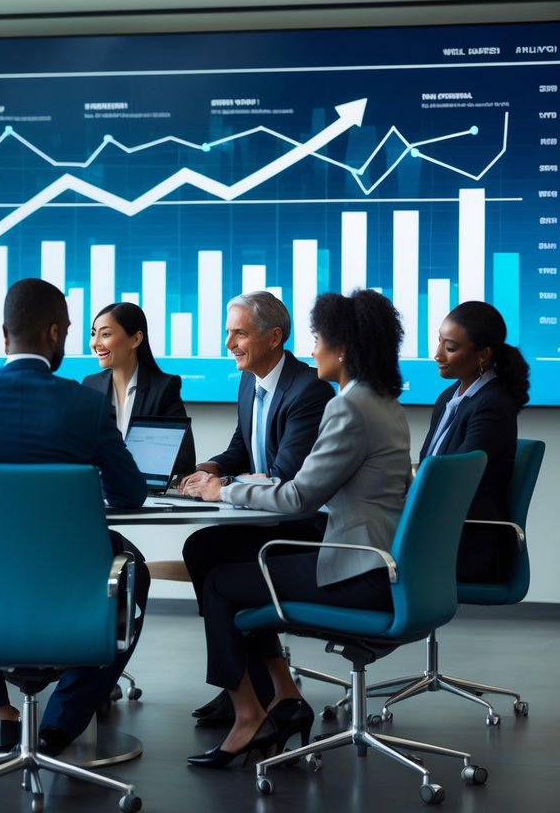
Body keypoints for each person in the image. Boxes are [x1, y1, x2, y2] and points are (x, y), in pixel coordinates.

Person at [0, 278, 152, 754]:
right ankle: (59, 723)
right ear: (55, 334)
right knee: (131, 571)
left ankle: (0, 710)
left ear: (3, 334)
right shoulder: (87, 405)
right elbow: (130, 494)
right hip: (66, 584)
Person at [183, 289, 411, 768]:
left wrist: (219, 491)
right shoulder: (380, 401)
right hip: (377, 559)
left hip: (356, 570)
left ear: (342, 348)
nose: (312, 350)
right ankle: (281, 697)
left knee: (222, 581)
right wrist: (215, 476)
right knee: (212, 554)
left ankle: (249, 714)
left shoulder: (347, 407)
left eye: (317, 340)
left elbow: (296, 495)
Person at [176, 291, 335, 727]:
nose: (229, 343)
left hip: (299, 526)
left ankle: (248, 691)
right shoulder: (249, 380)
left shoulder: (310, 391)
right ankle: (253, 685)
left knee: (217, 564)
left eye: (240, 333)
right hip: (261, 517)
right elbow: (242, 448)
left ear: (274, 338)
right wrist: (208, 468)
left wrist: (220, 486)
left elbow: (285, 475)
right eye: (228, 333)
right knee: (201, 549)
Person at [423, 301, 531, 583]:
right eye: (439, 342)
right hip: (441, 531)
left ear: (483, 354)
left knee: (365, 563)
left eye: (450, 347)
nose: (437, 355)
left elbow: (452, 479)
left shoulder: (492, 405)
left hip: (468, 541)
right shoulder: (448, 397)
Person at [83, 301, 196, 476]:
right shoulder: (91, 385)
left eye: (105, 334)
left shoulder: (164, 388)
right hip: (98, 490)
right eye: (93, 334)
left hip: (143, 493)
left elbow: (184, 461)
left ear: (135, 339)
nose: (95, 343)